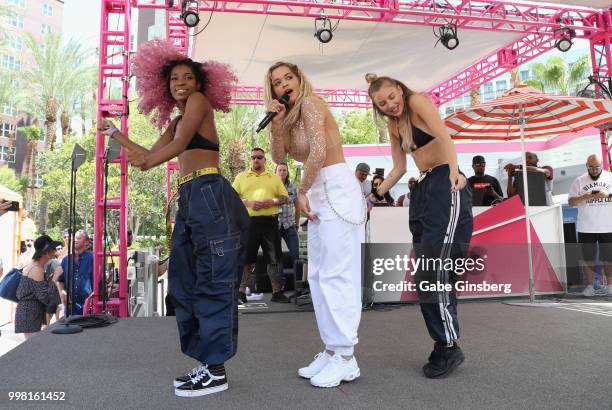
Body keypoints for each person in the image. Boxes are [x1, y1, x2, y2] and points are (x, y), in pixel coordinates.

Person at [98, 39, 248, 397]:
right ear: (164, 86)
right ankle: (207, 364)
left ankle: (216, 370)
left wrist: (147, 162)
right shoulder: (180, 118)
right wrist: (115, 134)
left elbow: (172, 150)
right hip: (190, 197)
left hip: (209, 193)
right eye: (174, 79)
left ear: (199, 84)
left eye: (187, 77)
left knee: (211, 282)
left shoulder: (198, 104)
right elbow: (150, 153)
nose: (180, 83)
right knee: (184, 283)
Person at [265, 62, 365, 388]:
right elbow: (280, 158)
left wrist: (302, 191)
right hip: (318, 191)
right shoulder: (290, 116)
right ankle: (333, 348)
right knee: (320, 275)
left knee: (338, 274)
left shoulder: (310, 102)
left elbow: (319, 151)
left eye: (287, 78)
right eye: (276, 82)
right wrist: (276, 126)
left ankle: (347, 357)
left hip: (334, 185)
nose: (283, 85)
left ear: (300, 79)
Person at [366, 73, 472, 378]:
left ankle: (448, 345)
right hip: (422, 189)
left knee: (434, 270)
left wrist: (455, 173)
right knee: (427, 272)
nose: (390, 104)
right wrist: (373, 197)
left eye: (391, 96)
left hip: (445, 183)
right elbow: (399, 167)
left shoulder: (417, 100)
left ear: (399, 89)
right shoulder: (393, 123)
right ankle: (445, 342)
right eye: (382, 103)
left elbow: (444, 136)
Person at [232, 148, 289, 303]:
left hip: (270, 222)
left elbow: (285, 198)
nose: (256, 160)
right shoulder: (241, 177)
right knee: (246, 259)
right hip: (249, 223)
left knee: (275, 258)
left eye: (259, 157)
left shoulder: (273, 177)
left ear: (264, 160)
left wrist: (273, 201)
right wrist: (248, 202)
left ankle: (277, 292)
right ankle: (241, 292)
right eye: (253, 157)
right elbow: (231, 198)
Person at [568, 155, 612, 296]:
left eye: (597, 167)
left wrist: (607, 195)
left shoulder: (609, 177)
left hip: (608, 225)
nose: (594, 170)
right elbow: (571, 202)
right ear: (586, 165)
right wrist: (584, 197)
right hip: (586, 227)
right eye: (591, 167)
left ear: (602, 166)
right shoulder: (579, 181)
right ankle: (591, 286)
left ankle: (610, 287)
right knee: (588, 258)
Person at [15, 235, 62, 339]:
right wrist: (55, 277)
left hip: (30, 313)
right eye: (53, 249)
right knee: (33, 350)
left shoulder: (36, 266)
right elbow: (45, 297)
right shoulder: (37, 269)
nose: (55, 252)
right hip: (30, 314)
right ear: (46, 252)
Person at [58, 230, 93, 316]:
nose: (74, 240)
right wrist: (62, 293)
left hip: (89, 308)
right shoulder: (66, 260)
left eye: (78, 238)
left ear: (86, 242)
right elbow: (60, 280)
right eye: (74, 238)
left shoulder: (93, 258)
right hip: (70, 309)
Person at [275, 162, 301, 281]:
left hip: (290, 225)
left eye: (284, 170)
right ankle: (279, 286)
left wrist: (297, 223)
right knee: (276, 257)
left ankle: (298, 285)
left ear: (287, 172)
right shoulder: (271, 186)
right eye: (280, 170)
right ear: (275, 172)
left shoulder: (293, 187)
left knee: (296, 254)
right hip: (275, 225)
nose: (282, 172)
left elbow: (298, 207)